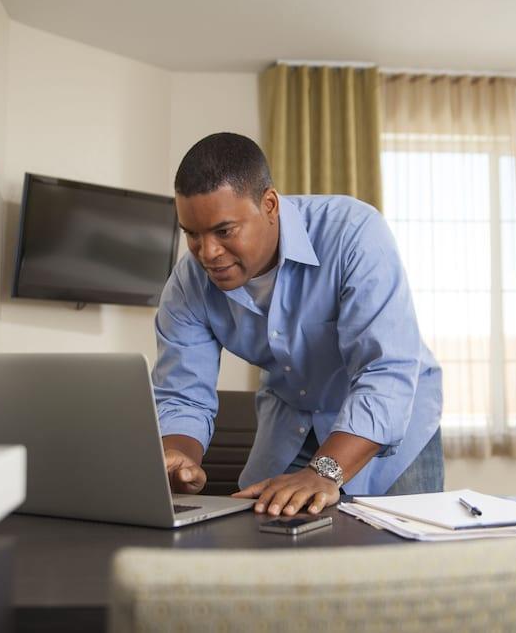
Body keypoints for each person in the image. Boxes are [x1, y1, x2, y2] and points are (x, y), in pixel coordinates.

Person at [154, 132, 442, 518]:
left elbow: (385, 371)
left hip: (390, 421)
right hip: (291, 415)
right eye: (192, 234)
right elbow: (183, 395)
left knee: (399, 557)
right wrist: (178, 459)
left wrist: (324, 471)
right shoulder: (189, 284)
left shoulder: (354, 234)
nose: (207, 253)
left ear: (269, 204)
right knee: (262, 545)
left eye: (224, 231)